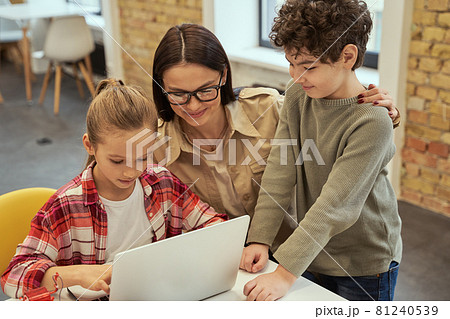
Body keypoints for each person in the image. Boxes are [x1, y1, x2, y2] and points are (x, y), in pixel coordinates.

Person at [151, 23, 400, 254]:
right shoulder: (155, 145)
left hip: (293, 251)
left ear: (223, 76)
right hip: (221, 257)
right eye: (178, 94)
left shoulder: (268, 109)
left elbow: (330, 121)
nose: (193, 105)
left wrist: (383, 111)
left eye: (206, 90)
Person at [1, 79, 227, 299]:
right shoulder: (65, 205)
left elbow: (212, 223)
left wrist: (217, 236)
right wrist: (79, 274)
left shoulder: (161, 181)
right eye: (117, 161)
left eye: (142, 158)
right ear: (90, 145)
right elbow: (14, 276)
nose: (130, 172)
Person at [240, 0, 402, 301]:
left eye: (308, 66)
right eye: (291, 63)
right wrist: (260, 238)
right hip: (312, 251)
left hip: (365, 263)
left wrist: (284, 273)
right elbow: (279, 169)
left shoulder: (373, 120)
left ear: (347, 56)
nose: (296, 76)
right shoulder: (297, 96)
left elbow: (334, 206)